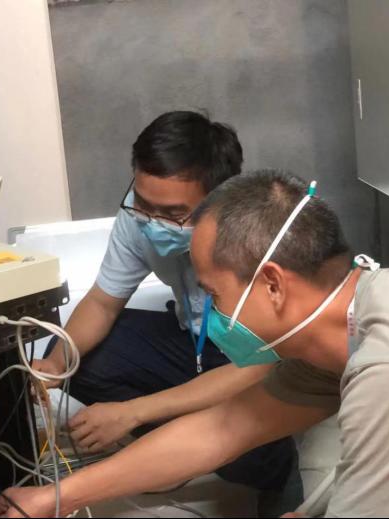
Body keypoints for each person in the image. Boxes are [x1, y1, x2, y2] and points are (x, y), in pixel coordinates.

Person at [0, 169, 389, 518]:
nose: (212, 312)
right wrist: (55, 497)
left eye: (214, 294)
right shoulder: (355, 322)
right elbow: (220, 429)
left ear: (273, 284)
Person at [33, 114, 297, 502]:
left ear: (220, 201)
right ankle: (170, 453)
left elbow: (261, 368)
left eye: (173, 215)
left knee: (247, 439)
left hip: (247, 361)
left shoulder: (257, 239)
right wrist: (56, 365)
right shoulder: (136, 217)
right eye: (143, 204)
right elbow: (103, 303)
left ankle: (268, 468)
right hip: (193, 340)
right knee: (79, 354)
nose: (153, 222)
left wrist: (134, 411)